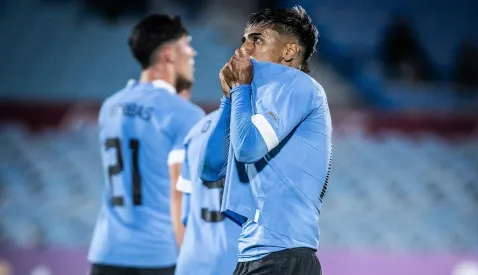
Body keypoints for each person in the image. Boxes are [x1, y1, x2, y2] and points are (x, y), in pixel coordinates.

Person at [198, 6, 332, 275]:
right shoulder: (255, 100)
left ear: (289, 51)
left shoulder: (299, 86)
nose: (243, 49)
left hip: (283, 255)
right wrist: (230, 97)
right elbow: (210, 169)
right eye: (243, 40)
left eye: (256, 39)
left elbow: (248, 149)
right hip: (257, 253)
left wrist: (242, 89)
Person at [88, 14, 204, 275]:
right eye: (186, 45)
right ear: (168, 54)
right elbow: (180, 195)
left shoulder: (110, 106)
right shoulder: (185, 114)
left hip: (107, 252)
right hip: (157, 256)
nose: (192, 52)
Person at [174, 110, 241, 275]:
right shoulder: (261, 129)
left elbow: (185, 216)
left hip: (192, 263)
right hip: (238, 262)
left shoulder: (194, 132)